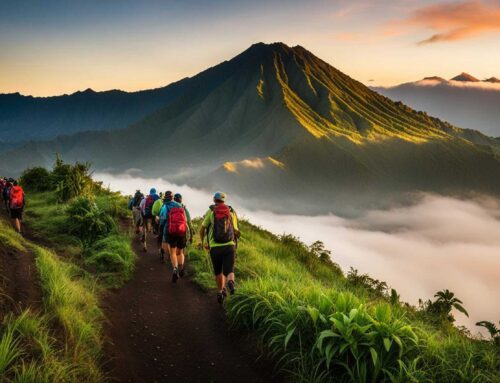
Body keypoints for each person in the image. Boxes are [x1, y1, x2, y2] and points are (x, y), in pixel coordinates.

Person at [200, 191, 240, 304]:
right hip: (229, 246)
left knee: (218, 271)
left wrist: (203, 242)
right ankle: (231, 282)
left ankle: (221, 291)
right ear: (224, 200)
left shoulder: (211, 211)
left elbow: (203, 228)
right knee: (229, 270)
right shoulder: (231, 212)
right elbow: (236, 231)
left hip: (215, 247)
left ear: (214, 199)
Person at [160, 192, 188, 282]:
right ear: (172, 198)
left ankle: (175, 269)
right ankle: (181, 267)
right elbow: (185, 220)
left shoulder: (165, 207)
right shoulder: (180, 205)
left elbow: (163, 219)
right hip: (181, 231)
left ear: (165, 199)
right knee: (180, 252)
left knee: (172, 252)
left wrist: (160, 227)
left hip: (170, 231)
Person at [140, 188, 160, 252]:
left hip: (146, 216)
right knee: (158, 227)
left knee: (144, 229)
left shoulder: (145, 199)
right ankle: (155, 229)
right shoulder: (158, 198)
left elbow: (140, 207)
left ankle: (145, 246)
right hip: (154, 216)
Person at [153, 191, 170, 261]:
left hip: (166, 225)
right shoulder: (177, 205)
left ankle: (162, 253)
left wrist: (160, 222)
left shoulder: (164, 206)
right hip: (177, 227)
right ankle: (170, 256)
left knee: (161, 239)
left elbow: (163, 217)